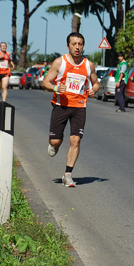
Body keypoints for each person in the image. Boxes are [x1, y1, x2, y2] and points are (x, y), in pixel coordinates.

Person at [41, 32, 100, 188]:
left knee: (76, 140)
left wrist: (94, 90)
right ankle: (55, 144)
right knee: (55, 140)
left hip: (80, 107)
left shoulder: (88, 65)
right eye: (74, 44)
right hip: (61, 105)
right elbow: (45, 82)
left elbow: (96, 83)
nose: (77, 47)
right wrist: (55, 87)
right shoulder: (60, 62)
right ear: (68, 45)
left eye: (80, 44)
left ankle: (68, 174)